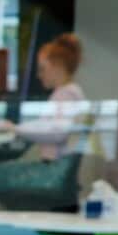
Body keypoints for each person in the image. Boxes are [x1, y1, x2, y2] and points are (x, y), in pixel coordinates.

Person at [14, 32, 91, 160]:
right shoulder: (68, 93)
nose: (39, 75)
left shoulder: (66, 95)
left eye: (42, 69)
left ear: (57, 67)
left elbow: (56, 132)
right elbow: (47, 125)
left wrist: (15, 129)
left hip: (54, 169)